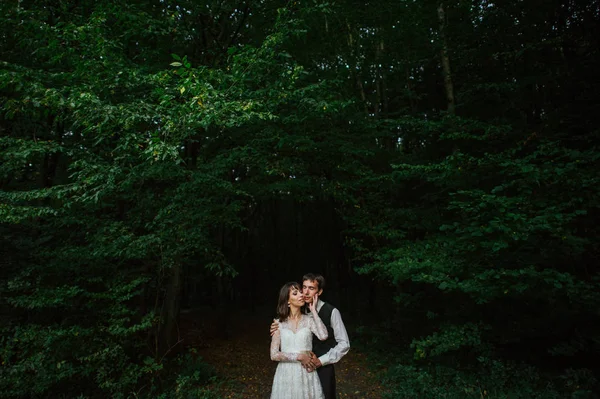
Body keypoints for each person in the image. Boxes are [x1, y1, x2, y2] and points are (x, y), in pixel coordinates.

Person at [271, 274, 350, 399]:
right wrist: (276, 327)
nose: (306, 292)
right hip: (294, 369)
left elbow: (344, 343)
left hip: (322, 367)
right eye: (304, 287)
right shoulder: (299, 309)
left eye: (311, 288)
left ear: (320, 291)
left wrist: (321, 360)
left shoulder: (331, 311)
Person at [270, 281, 329, 399]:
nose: (301, 295)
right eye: (295, 293)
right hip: (286, 373)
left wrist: (314, 311)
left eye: (301, 292)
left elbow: (323, 336)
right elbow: (274, 355)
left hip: (306, 372)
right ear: (287, 300)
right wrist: (299, 356)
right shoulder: (278, 323)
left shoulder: (309, 320)